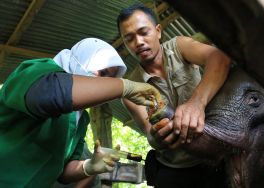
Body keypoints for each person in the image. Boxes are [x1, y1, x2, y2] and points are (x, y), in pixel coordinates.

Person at [0, 38, 161, 187]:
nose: (105, 84)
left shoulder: (81, 119)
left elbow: (63, 172)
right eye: (103, 73)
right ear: (80, 61)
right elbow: (49, 94)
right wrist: (125, 87)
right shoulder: (39, 70)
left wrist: (89, 167)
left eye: (111, 79)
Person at [117, 3, 231, 187]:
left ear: (158, 31)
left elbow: (219, 58)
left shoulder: (179, 46)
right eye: (129, 38)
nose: (138, 42)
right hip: (175, 168)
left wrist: (196, 103)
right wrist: (157, 136)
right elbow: (150, 134)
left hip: (215, 155)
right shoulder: (130, 90)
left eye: (143, 32)